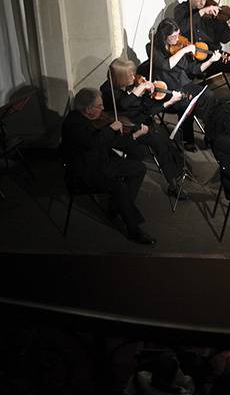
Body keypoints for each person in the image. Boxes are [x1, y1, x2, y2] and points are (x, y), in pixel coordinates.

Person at [61, 88, 155, 245]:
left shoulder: (86, 118)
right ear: (88, 109)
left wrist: (133, 135)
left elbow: (106, 142)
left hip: (99, 161)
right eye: (99, 106)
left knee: (138, 168)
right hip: (84, 172)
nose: (103, 109)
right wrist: (110, 129)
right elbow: (93, 143)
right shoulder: (74, 124)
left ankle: (117, 206)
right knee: (117, 185)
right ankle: (133, 229)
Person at [100, 58, 187, 199]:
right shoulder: (107, 90)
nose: (134, 77)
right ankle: (173, 185)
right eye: (130, 75)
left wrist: (168, 101)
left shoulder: (133, 84)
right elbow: (123, 104)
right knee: (160, 144)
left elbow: (146, 110)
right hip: (127, 127)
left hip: (143, 120)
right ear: (120, 77)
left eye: (134, 74)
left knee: (168, 142)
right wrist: (139, 89)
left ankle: (178, 173)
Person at [150, 18, 219, 151]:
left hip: (184, 84)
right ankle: (188, 138)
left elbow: (193, 69)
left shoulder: (179, 46)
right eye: (174, 36)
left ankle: (210, 135)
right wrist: (185, 50)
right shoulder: (153, 48)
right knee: (187, 104)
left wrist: (211, 60)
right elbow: (166, 65)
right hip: (167, 90)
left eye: (178, 34)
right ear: (165, 37)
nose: (178, 38)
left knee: (209, 96)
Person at [173, 0, 230, 76]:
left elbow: (224, 39)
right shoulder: (180, 10)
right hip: (194, 61)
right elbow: (181, 28)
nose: (202, 2)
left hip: (214, 54)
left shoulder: (211, 8)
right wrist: (202, 12)